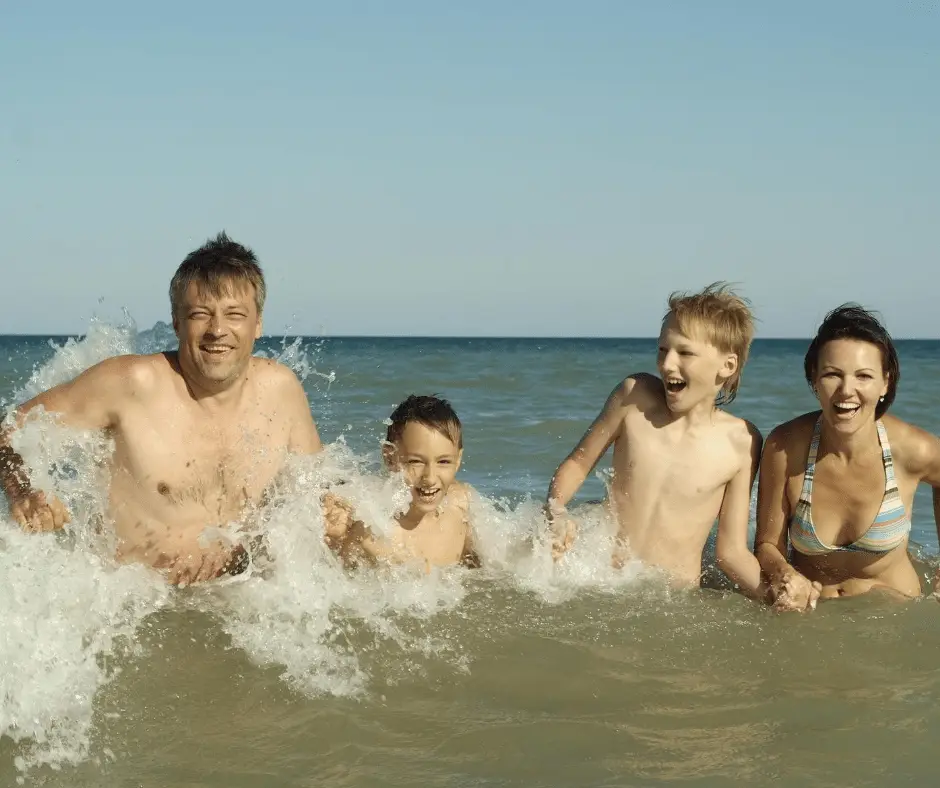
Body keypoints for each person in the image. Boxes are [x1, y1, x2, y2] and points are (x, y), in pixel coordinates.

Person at [0, 232, 322, 585]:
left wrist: (336, 512)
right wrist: (24, 492)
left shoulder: (282, 390)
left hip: (238, 605)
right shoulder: (131, 384)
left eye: (234, 314)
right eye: (200, 314)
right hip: (134, 611)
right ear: (176, 322)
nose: (217, 330)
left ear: (257, 323)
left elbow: (318, 485)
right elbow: (8, 431)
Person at [547, 283, 765, 598]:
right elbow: (578, 464)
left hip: (672, 599)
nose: (667, 364)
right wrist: (556, 511)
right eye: (663, 350)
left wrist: (776, 597)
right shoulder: (634, 398)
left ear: (727, 366)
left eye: (685, 352)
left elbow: (731, 553)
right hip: (601, 582)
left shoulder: (741, 442)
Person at [755, 305, 940, 609]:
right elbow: (766, 545)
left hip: (896, 619)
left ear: (885, 383)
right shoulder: (786, 447)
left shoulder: (911, 449)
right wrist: (785, 575)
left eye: (864, 376)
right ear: (814, 378)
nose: (847, 390)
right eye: (832, 374)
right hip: (817, 620)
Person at [324, 395, 479, 570]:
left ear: (458, 460)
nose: (429, 477)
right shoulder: (369, 525)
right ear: (390, 457)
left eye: (443, 462)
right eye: (415, 462)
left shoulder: (461, 507)